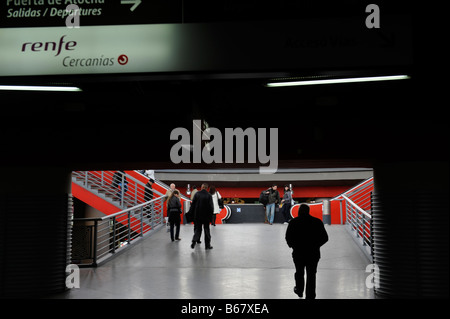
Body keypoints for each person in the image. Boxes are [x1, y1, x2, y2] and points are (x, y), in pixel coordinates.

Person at [285, 204, 329, 299]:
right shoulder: (317, 222)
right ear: (308, 211)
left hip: (298, 253)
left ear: (299, 211)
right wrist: (316, 245)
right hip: (313, 253)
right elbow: (325, 238)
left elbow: (288, 237)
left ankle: (299, 290)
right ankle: (310, 296)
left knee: (299, 272)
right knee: (311, 275)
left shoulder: (293, 222)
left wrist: (293, 246)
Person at [190, 183, 214, 249]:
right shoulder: (209, 195)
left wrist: (192, 214)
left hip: (198, 216)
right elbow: (211, 207)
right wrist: (211, 217)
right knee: (207, 230)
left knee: (198, 229)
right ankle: (207, 245)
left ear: (202, 187)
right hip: (206, 216)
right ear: (207, 188)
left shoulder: (197, 194)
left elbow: (193, 205)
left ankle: (194, 241)